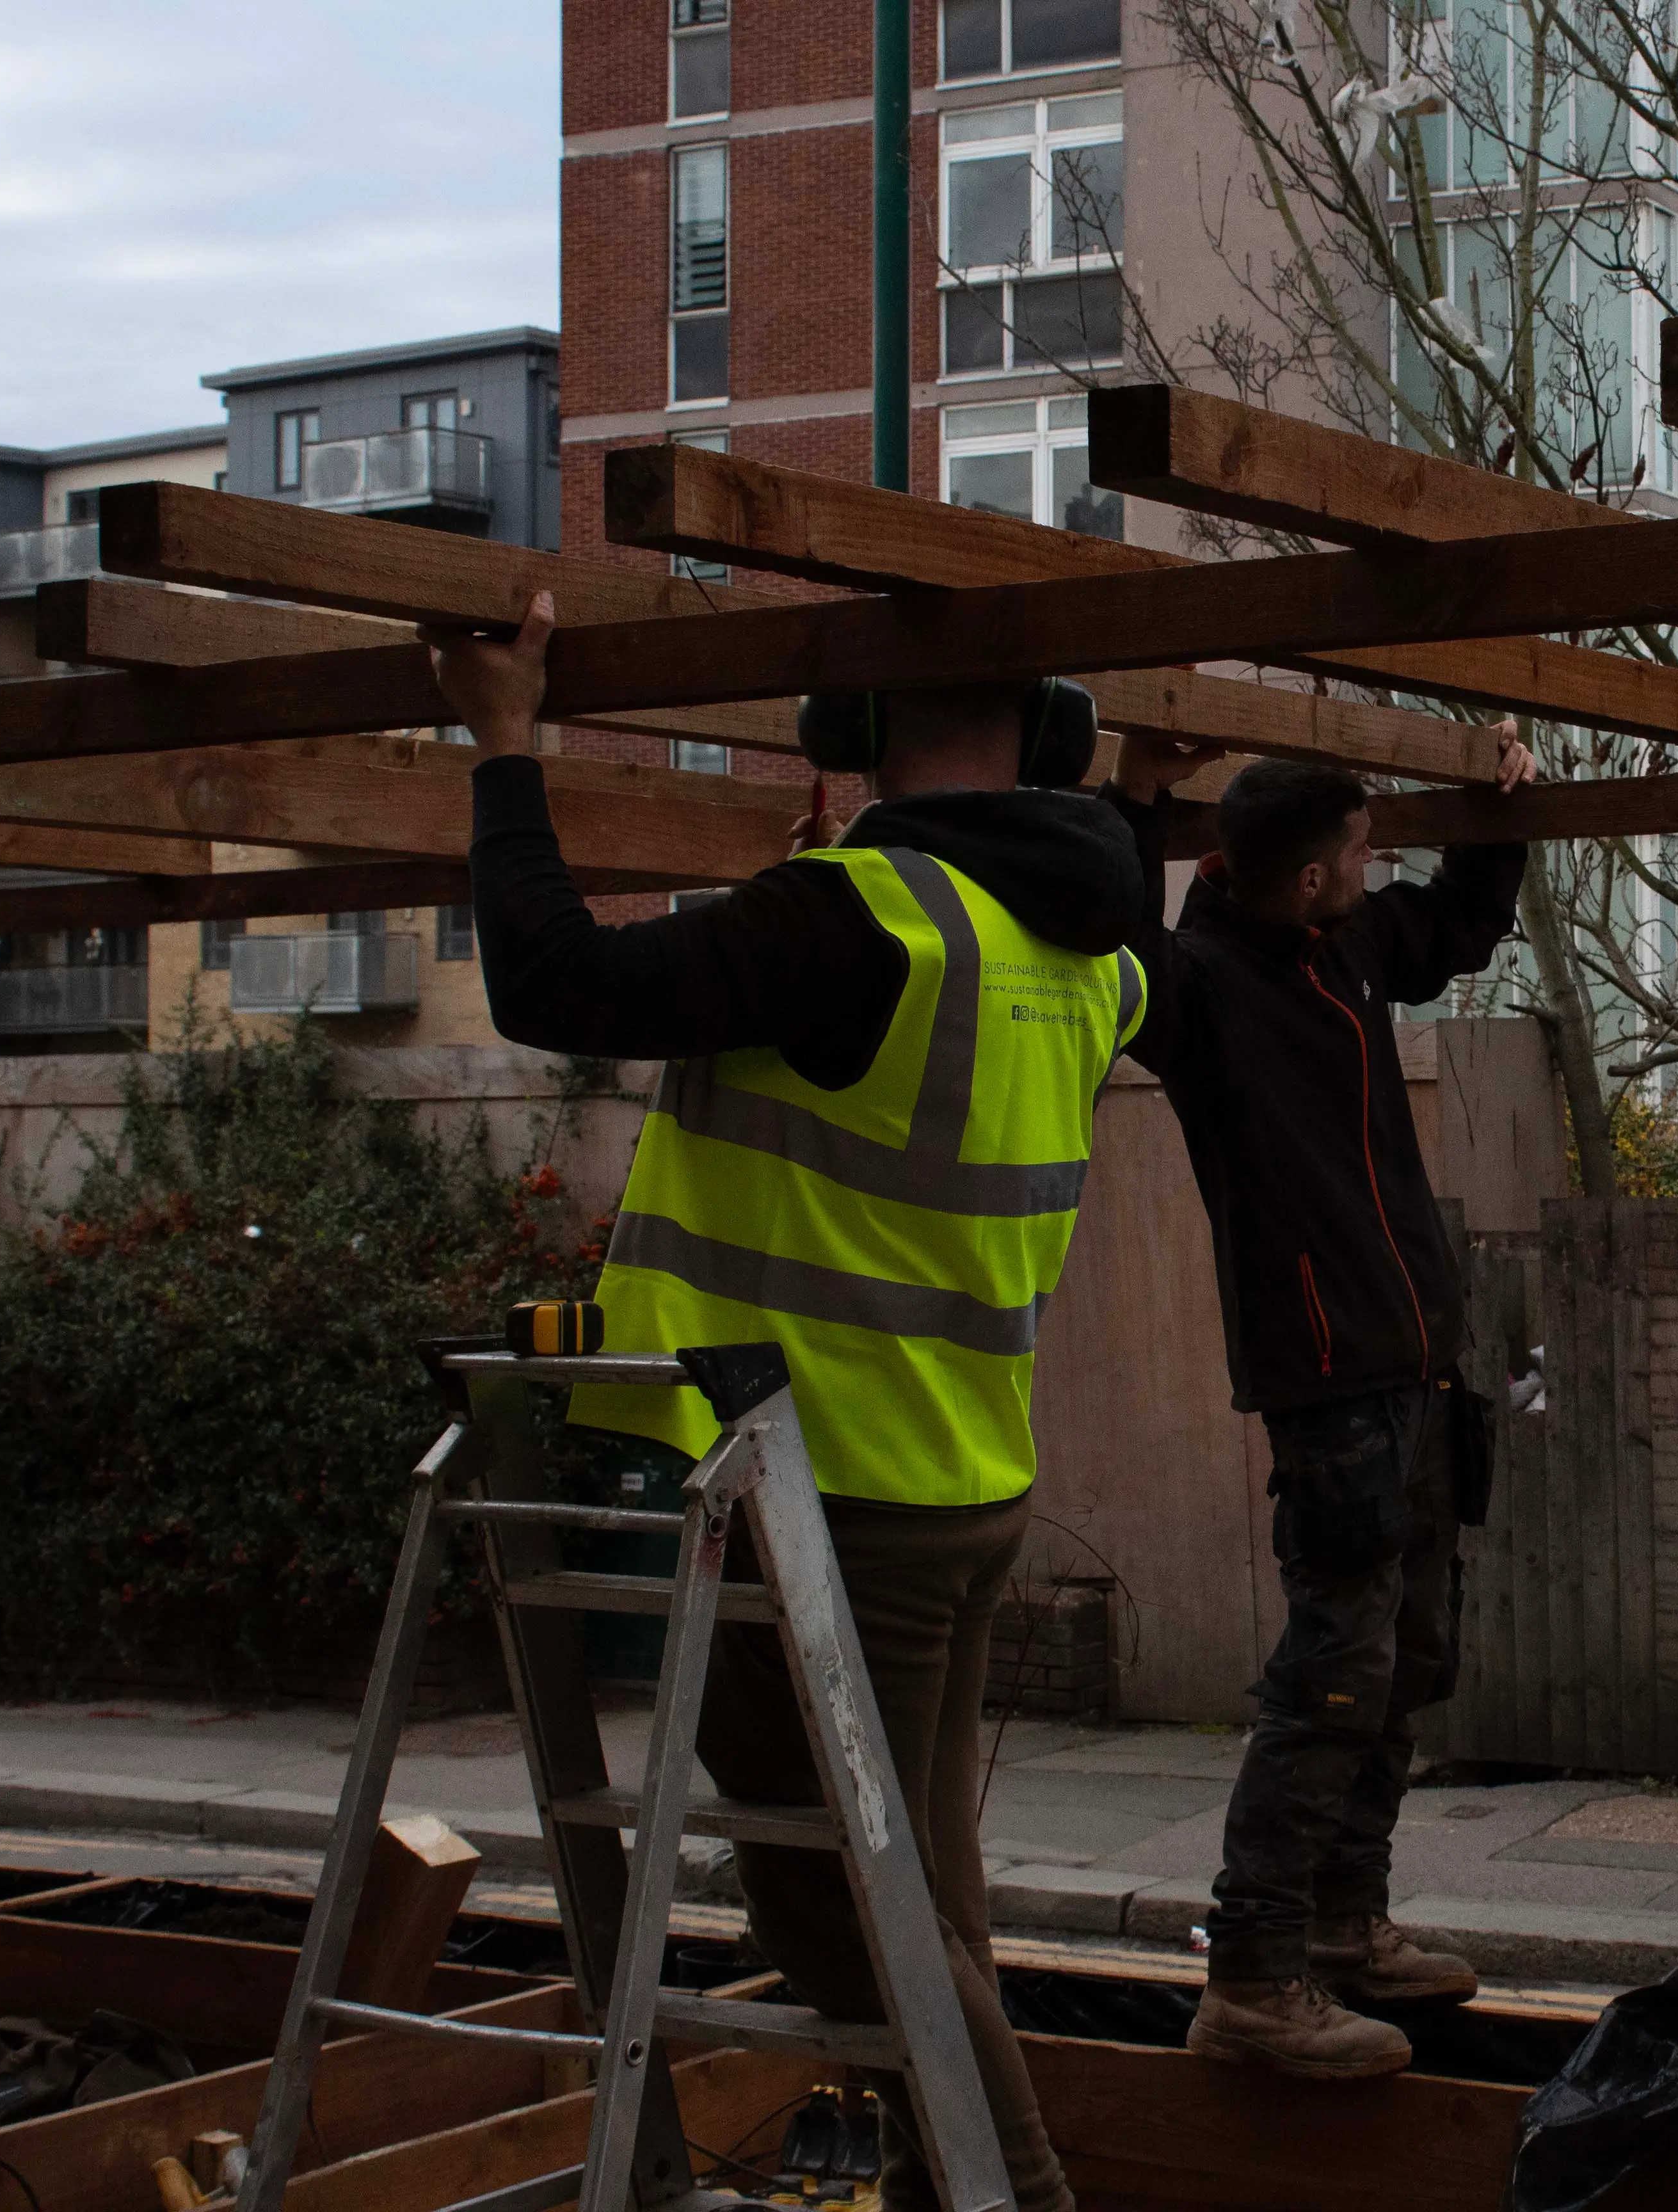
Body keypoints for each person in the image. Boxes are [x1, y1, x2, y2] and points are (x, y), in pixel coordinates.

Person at [428, 592, 1145, 2212]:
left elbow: (552, 978)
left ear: (849, 732)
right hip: (964, 1478)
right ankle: (931, 2181)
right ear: (1046, 741)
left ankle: (1013, 2190)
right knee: (925, 1903)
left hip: (830, 1500)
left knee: (837, 1909)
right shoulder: (1084, 952)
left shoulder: (851, 921)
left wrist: (502, 740)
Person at [1107, 724, 1537, 2080]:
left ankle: (1348, 1928)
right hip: (1333, 1394)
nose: (1379, 860)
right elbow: (1116, 955)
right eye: (1362, 847)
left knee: (1406, 1664)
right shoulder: (1204, 993)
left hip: (1415, 1378)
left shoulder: (1347, 953)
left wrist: (1498, 807)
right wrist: (1133, 799)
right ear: (1304, 877)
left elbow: (1464, 921)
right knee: (1332, 1684)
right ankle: (1252, 1977)